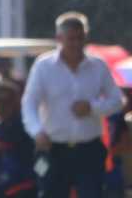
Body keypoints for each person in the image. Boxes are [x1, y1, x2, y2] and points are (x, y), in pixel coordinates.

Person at [21, 11, 124, 198]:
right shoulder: (43, 66)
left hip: (89, 149)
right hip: (53, 149)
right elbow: (29, 103)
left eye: (80, 38)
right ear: (59, 38)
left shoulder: (98, 66)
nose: (76, 44)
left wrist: (92, 108)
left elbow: (117, 101)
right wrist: (36, 131)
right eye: (71, 39)